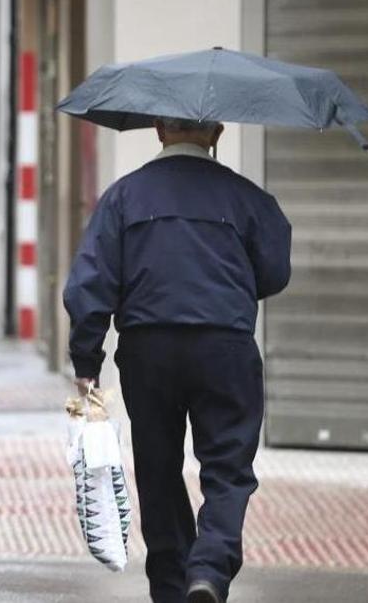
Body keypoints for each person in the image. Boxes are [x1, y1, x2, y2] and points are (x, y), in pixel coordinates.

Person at [63, 117, 291, 603]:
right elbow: (274, 272)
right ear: (217, 134)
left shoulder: (124, 197)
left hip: (149, 349)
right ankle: (208, 569)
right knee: (228, 468)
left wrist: (87, 362)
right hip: (225, 346)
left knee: (158, 467)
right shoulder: (248, 198)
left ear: (160, 131)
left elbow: (90, 285)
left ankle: (170, 587)